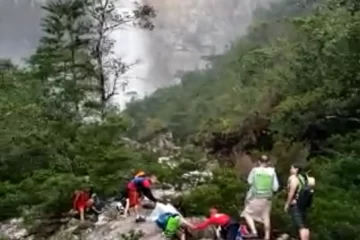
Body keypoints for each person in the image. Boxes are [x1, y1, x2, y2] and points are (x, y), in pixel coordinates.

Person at [241, 155, 279, 240]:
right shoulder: (272, 172)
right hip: (268, 198)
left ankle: (254, 232)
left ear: (258, 162)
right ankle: (267, 236)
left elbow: (250, 181)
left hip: (257, 196)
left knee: (246, 213)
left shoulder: (255, 171)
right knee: (266, 216)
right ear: (268, 162)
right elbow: (275, 187)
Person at [285, 163, 315, 240]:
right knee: (303, 224)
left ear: (296, 169)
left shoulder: (294, 179)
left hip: (295, 204)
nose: (290, 170)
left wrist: (287, 204)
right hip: (303, 204)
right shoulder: (302, 178)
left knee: (300, 225)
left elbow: (292, 192)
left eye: (292, 168)